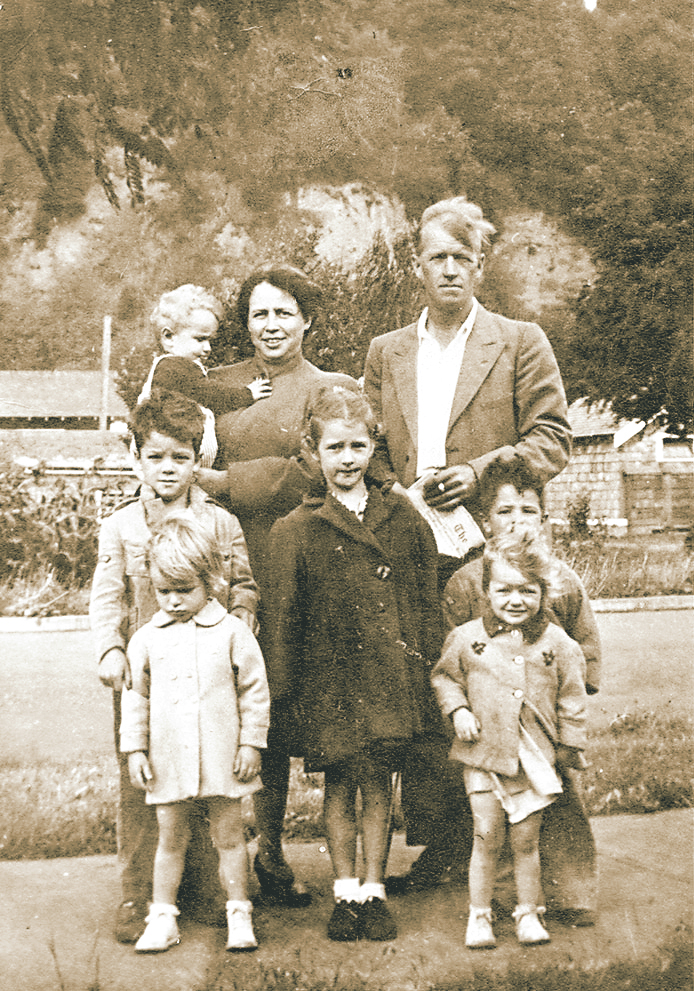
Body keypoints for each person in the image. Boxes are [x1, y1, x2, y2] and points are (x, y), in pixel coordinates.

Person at [362, 194, 572, 891]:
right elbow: (370, 450)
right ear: (417, 267)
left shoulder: (519, 341)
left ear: (481, 266)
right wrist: (397, 493)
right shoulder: (386, 351)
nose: (449, 269)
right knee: (430, 690)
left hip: (493, 556)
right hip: (410, 551)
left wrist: (477, 473)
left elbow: (553, 440)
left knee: (503, 691)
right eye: (436, 258)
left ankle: (518, 844)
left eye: (462, 257)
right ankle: (445, 842)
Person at [197, 266, 358, 906]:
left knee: (288, 708)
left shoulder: (332, 388)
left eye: (285, 312)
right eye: (260, 314)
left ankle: (279, 853)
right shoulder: (217, 386)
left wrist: (222, 481)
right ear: (244, 323)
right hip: (227, 562)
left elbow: (310, 473)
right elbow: (175, 447)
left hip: (305, 565)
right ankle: (243, 856)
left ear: (308, 319)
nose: (272, 325)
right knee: (238, 712)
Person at [266, 387, 445, 941]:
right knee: (340, 787)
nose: (347, 459)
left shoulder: (405, 519)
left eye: (359, 446)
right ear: (311, 453)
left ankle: (374, 890)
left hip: (390, 679)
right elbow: (282, 623)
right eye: (335, 447)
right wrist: (281, 693)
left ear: (374, 448)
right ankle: (345, 893)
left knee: (379, 788)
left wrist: (427, 676)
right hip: (331, 686)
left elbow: (422, 603)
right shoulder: (296, 528)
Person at [89, 389, 258, 943]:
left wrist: (239, 623)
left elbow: (243, 586)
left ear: (198, 461)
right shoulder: (120, 526)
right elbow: (108, 595)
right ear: (135, 457)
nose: (167, 468)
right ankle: (140, 893)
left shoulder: (222, 523)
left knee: (214, 780)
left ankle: (209, 888)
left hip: (211, 676)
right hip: (146, 678)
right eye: (155, 456)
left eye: (179, 457)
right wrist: (111, 649)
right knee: (145, 783)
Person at [121, 516, 270, 953]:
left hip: (224, 755)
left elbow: (254, 690)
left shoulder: (232, 633)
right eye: (163, 591)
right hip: (168, 757)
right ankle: (162, 917)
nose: (173, 601)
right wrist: (135, 749)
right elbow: (136, 698)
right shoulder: (145, 639)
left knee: (229, 836)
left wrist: (251, 743)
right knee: (170, 838)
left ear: (211, 581)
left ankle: (239, 913)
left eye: (184, 590)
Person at [431, 533, 587, 949]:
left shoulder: (558, 643)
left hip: (534, 758)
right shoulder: (467, 638)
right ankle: (479, 917)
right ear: (486, 591)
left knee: (525, 841)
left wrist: (569, 745)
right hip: (483, 754)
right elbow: (445, 677)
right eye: (504, 590)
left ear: (543, 593)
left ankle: (528, 914)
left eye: (527, 591)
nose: (515, 600)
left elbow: (573, 697)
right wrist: (458, 710)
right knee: (485, 834)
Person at [141, 284, 272, 467]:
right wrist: (247, 394)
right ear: (169, 337)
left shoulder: (177, 366)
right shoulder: (173, 367)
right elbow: (210, 393)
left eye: (210, 340)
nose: (207, 348)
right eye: (200, 339)